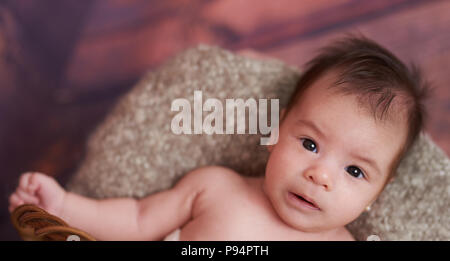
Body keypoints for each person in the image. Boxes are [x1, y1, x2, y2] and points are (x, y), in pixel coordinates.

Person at [8, 35, 429, 241]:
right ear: (275, 132)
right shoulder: (216, 187)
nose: (321, 175)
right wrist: (64, 206)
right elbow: (137, 219)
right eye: (310, 145)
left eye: (355, 170)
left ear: (377, 193)